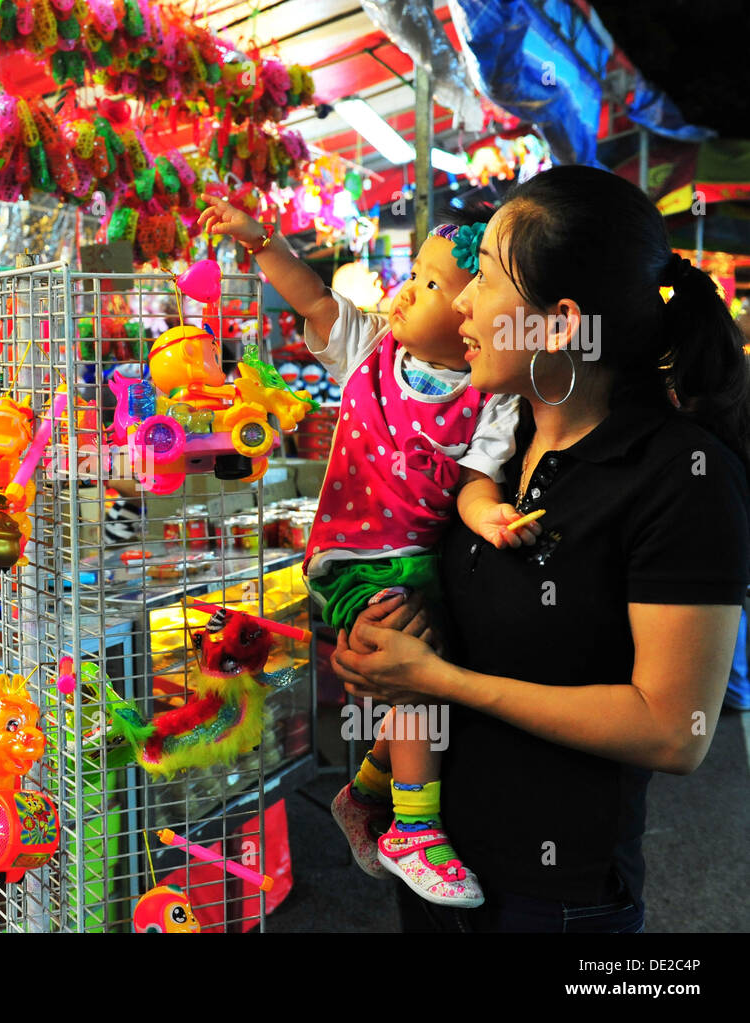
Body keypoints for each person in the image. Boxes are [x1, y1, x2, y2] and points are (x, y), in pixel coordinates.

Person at [330, 164, 750, 933]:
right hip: (434, 859)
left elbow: (672, 728)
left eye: (483, 277)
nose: (458, 300)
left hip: (555, 899)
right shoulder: (491, 440)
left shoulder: (679, 473)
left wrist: (441, 679)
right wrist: (381, 650)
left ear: (556, 323)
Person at [199, 197, 533, 909]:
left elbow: (477, 483)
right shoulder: (369, 350)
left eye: (436, 283)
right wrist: (263, 243)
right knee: (407, 659)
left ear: (475, 311)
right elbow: (314, 297)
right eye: (416, 272)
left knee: (429, 661)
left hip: (420, 559)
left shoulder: (491, 398)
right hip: (350, 557)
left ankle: (368, 789)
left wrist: (491, 519)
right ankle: (413, 825)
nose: (409, 288)